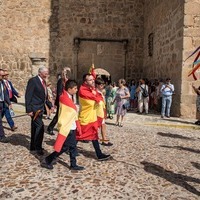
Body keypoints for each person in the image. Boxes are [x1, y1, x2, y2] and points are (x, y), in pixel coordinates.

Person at [41, 80, 84, 170]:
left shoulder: (68, 97)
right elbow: (71, 111)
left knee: (71, 147)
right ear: (69, 89)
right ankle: (48, 160)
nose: (76, 90)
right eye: (75, 88)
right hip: (67, 127)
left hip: (71, 126)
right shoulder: (64, 98)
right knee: (65, 147)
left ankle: (73, 164)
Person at [77, 73, 111, 161]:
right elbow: (96, 98)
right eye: (91, 80)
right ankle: (58, 152)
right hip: (86, 117)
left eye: (93, 79)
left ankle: (99, 154)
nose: (93, 81)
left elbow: (97, 97)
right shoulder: (83, 90)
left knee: (94, 135)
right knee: (78, 135)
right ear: (85, 81)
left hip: (91, 117)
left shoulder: (89, 88)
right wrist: (96, 94)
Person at [25, 66, 52, 156]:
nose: (47, 74)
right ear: (40, 72)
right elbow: (28, 95)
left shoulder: (43, 81)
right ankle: (38, 147)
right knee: (40, 127)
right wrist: (28, 109)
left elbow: (44, 96)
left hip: (41, 108)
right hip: (34, 109)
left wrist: (50, 105)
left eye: (47, 72)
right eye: (45, 73)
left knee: (34, 127)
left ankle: (33, 146)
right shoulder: (33, 81)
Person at [47, 67, 71, 135]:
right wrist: (62, 100)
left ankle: (65, 128)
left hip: (67, 101)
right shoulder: (61, 81)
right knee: (58, 115)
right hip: (62, 101)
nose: (67, 74)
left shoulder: (68, 81)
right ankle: (50, 128)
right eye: (66, 72)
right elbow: (59, 92)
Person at [95, 77, 113, 146]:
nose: (102, 86)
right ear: (97, 85)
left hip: (102, 110)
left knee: (103, 125)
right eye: (101, 85)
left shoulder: (101, 92)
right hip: (98, 112)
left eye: (103, 85)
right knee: (99, 126)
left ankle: (104, 140)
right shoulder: (96, 92)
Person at [0, 69, 12, 143]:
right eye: (2, 75)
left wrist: (9, 103)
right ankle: (2, 136)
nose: (4, 77)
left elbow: (5, 93)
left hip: (2, 103)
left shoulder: (2, 82)